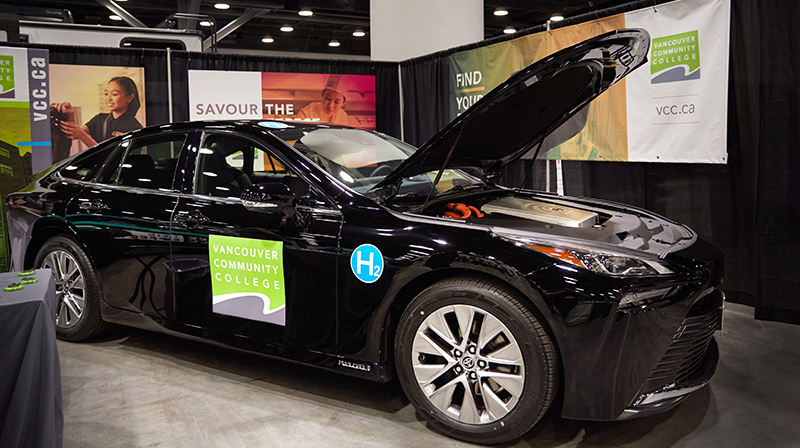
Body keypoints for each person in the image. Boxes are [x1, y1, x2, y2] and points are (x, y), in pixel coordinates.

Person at [51, 76, 143, 149]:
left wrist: (82, 135)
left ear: (130, 98)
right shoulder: (100, 118)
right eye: (106, 94)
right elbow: (73, 134)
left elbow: (112, 156)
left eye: (114, 94)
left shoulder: (134, 128)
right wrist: (71, 114)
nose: (109, 98)